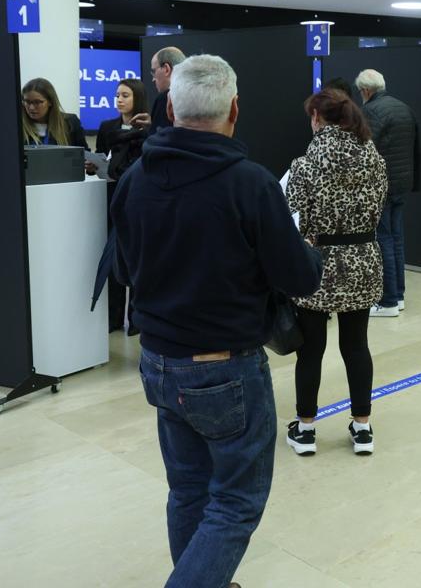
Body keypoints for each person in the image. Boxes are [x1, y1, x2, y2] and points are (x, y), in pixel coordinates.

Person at [110, 55, 323, 588]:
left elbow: (121, 267)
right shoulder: (250, 185)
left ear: (171, 107)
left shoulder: (135, 178)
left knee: (188, 489)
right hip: (224, 371)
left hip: (158, 363)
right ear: (234, 109)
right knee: (235, 503)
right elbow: (299, 277)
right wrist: (306, 250)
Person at [284, 89, 387, 457]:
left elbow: (294, 220)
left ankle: (306, 430)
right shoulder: (374, 159)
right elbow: (379, 208)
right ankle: (362, 427)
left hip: (319, 265)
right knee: (356, 345)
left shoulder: (305, 165)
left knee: (310, 350)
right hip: (363, 260)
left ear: (317, 118)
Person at [356, 69, 421, 317]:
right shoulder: (404, 108)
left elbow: (366, 150)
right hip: (402, 183)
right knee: (396, 238)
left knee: (383, 239)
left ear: (365, 91)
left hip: (381, 186)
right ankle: (399, 296)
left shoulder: (370, 112)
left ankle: (388, 301)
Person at [89, 78, 149, 333]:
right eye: (117, 95)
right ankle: (113, 320)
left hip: (137, 200)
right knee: (113, 259)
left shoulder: (148, 129)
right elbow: (103, 157)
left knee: (136, 259)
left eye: (125, 95)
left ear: (137, 97)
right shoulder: (107, 127)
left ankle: (136, 322)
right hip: (111, 194)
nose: (120, 99)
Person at [129, 46, 186, 135]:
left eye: (154, 71)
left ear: (166, 69)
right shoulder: (202, 94)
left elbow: (159, 144)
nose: (153, 79)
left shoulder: (165, 98)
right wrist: (153, 125)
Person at [21, 77, 84, 147]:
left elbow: (84, 154)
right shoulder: (17, 126)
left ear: (50, 101)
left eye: (37, 102)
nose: (31, 107)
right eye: (27, 102)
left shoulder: (70, 122)